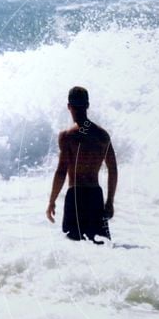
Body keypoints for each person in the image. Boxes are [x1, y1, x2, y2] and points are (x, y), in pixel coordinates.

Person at [46, 86, 117, 242]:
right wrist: (110, 201)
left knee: (74, 251)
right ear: (87, 105)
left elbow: (61, 171)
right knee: (102, 250)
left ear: (69, 106)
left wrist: (52, 201)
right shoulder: (102, 135)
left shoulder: (67, 136)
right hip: (95, 197)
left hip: (75, 197)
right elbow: (113, 170)